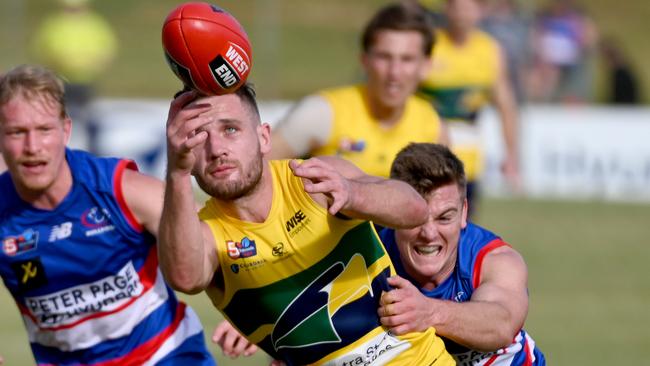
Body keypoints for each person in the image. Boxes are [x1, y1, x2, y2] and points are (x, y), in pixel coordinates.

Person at [158, 84, 454, 365]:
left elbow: (414, 208)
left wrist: (352, 194)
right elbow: (185, 278)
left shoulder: (313, 178)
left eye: (230, 129)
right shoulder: (205, 233)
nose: (216, 149)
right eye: (197, 137)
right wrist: (177, 175)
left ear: (263, 138)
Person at [0, 65, 214, 365]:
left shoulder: (119, 190)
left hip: (165, 356)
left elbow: (218, 236)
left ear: (66, 130)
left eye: (44, 130)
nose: (32, 147)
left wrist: (249, 316)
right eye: (17, 132)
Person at [378, 142, 545, 365]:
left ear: (464, 211)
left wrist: (427, 312)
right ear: (393, 213)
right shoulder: (372, 254)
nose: (429, 234)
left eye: (444, 217)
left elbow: (502, 324)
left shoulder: (493, 260)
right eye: (415, 219)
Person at [269, 3, 447, 178]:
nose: (394, 72)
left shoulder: (432, 128)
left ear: (426, 66)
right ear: (364, 60)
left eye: (407, 59)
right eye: (384, 57)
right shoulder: (322, 112)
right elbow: (256, 171)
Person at [419, 0, 520, 217]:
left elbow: (506, 106)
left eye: (469, 8)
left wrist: (511, 156)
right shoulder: (428, 45)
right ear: (447, 8)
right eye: (457, 7)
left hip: (466, 161)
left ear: (481, 10)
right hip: (425, 156)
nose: (462, 15)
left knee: (461, 228)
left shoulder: (490, 51)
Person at [31, 0, 118, 154]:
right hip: (61, 80)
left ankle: (95, 152)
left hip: (85, 80)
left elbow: (107, 48)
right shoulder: (55, 24)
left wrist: (95, 64)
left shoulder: (93, 24)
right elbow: (43, 48)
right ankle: (56, 150)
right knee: (58, 117)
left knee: (89, 118)